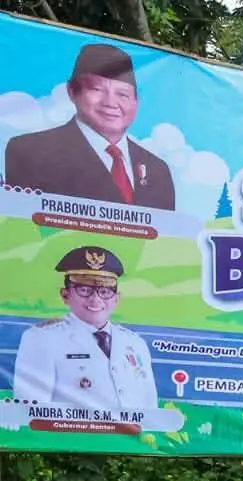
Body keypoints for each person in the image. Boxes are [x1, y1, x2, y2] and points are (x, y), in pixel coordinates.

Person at [4, 44, 175, 210]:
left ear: (136, 103)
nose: (110, 103)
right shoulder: (30, 152)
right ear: (71, 91)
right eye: (97, 89)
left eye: (122, 94)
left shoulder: (157, 170)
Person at [11, 245, 158, 412]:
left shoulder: (135, 343)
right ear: (65, 295)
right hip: (71, 437)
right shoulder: (42, 338)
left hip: (132, 438)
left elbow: (149, 407)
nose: (95, 299)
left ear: (117, 299)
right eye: (84, 289)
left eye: (104, 291)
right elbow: (31, 410)